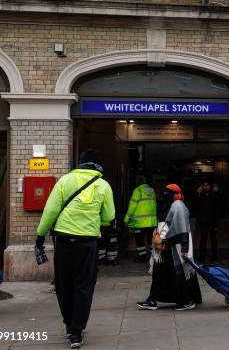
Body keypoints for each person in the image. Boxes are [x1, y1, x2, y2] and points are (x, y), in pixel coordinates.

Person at [35, 149, 115, 349]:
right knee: (84, 285)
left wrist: (40, 234)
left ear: (80, 163)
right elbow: (109, 216)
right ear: (96, 165)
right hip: (87, 242)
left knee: (64, 285)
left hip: (63, 240)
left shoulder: (64, 181)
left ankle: (68, 324)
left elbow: (51, 210)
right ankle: (76, 331)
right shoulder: (103, 185)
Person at [137, 184, 202, 311]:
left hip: (173, 248)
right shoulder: (172, 205)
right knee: (163, 273)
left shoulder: (178, 206)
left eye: (167, 193)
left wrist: (172, 244)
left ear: (174, 194)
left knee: (174, 273)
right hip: (167, 247)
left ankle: (185, 300)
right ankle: (156, 299)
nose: (165, 195)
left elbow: (181, 229)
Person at [124, 175, 157, 262]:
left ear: (137, 182)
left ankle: (142, 257)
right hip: (152, 222)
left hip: (139, 223)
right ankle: (154, 257)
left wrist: (126, 220)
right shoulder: (152, 190)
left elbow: (132, 207)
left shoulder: (137, 191)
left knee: (140, 241)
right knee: (151, 241)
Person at [195, 181, 222, 262]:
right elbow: (197, 208)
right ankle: (201, 257)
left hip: (212, 222)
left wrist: (216, 222)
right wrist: (198, 194)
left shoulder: (214, 195)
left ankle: (214, 257)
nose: (206, 187)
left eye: (207, 185)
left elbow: (218, 209)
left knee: (214, 240)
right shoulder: (200, 196)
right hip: (203, 222)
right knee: (203, 240)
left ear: (210, 186)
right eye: (204, 185)